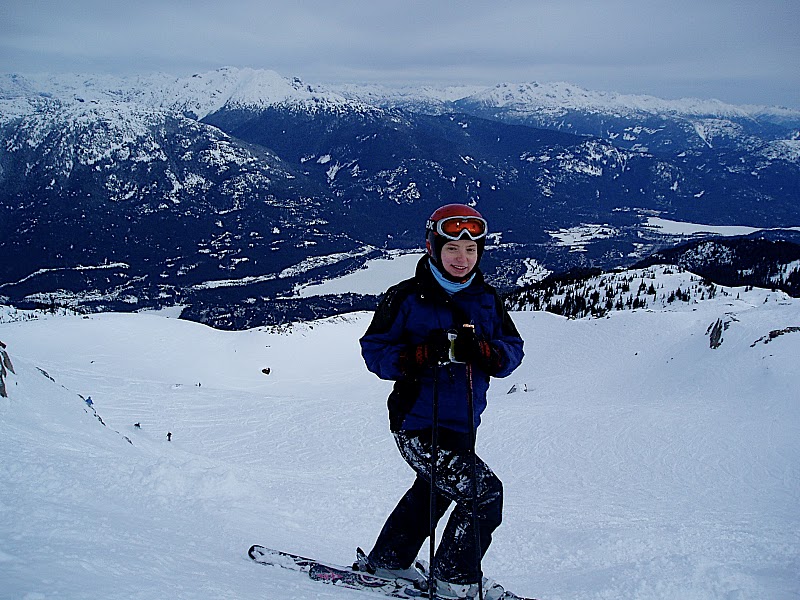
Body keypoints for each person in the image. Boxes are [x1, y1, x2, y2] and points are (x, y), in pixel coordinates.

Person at [359, 204, 524, 599]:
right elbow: (374, 351)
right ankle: (455, 579)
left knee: (432, 492)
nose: (462, 259)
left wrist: (485, 352)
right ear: (432, 247)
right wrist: (418, 356)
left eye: (471, 250)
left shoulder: (487, 300)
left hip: (463, 421)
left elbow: (512, 350)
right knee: (484, 493)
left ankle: (389, 561)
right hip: (416, 421)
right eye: (452, 249)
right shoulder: (405, 298)